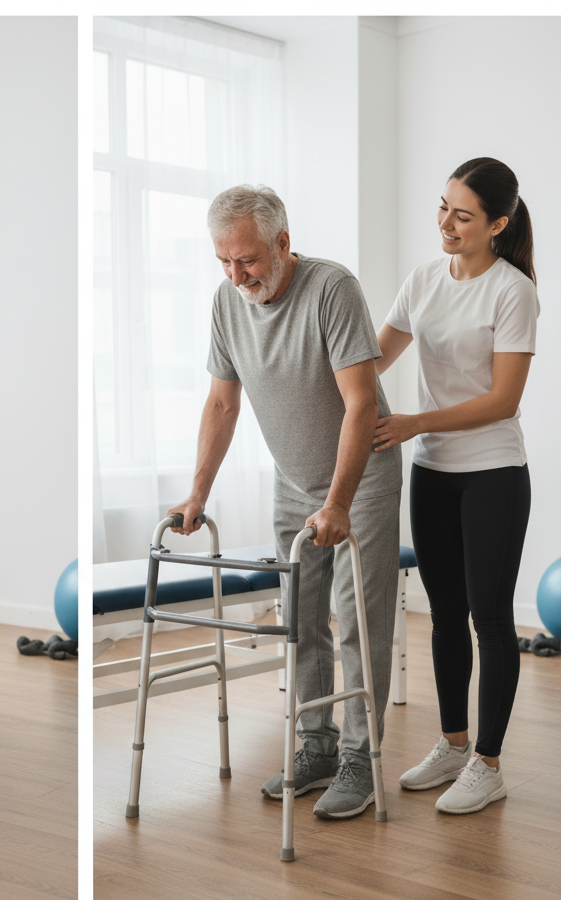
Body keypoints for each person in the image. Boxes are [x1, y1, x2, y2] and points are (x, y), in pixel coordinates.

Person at [170, 185, 403, 819]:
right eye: (223, 260)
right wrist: (197, 493)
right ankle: (317, 745)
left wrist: (339, 502)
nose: (235, 275)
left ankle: (360, 758)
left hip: (360, 481)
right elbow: (222, 403)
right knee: (300, 620)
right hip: (292, 481)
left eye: (246, 259)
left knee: (358, 622)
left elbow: (360, 401)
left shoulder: (332, 289)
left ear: (282, 242)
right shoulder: (227, 302)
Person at [373, 157, 538, 814]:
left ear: (497, 225)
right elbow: (373, 359)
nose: (445, 222)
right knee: (444, 615)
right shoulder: (422, 280)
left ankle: (488, 764)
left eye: (463, 215)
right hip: (433, 473)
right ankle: (452, 742)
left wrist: (414, 422)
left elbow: (503, 400)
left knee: (490, 621)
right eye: (443, 206)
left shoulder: (512, 291)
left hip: (494, 472)